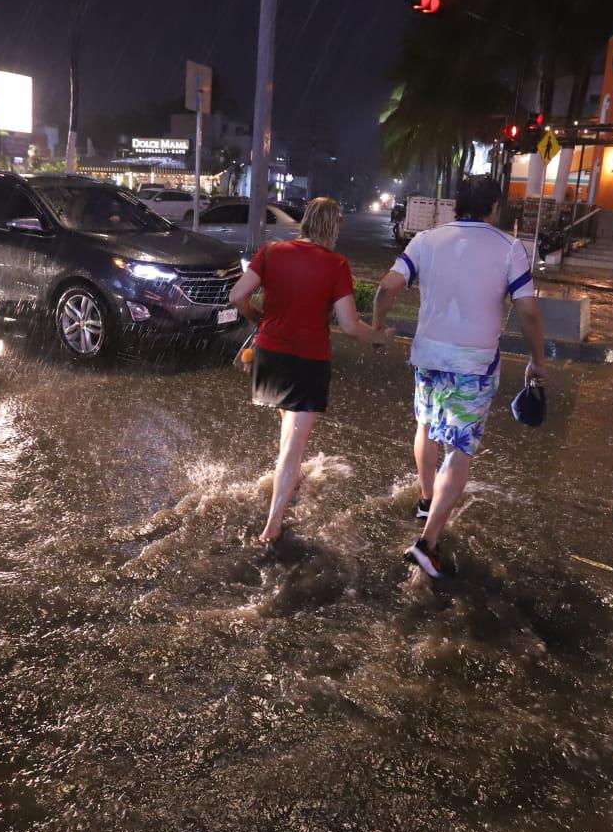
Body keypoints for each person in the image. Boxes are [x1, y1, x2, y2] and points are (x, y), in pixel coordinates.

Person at [371, 176, 548, 580]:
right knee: (460, 450)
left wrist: (379, 328)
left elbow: (385, 288)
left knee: (426, 426)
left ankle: (426, 497)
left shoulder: (425, 241)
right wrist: (538, 360)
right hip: (474, 364)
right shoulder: (509, 248)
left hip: (428, 356)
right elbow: (529, 311)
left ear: (456, 206)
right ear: (495, 207)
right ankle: (427, 543)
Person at [229, 197, 380, 543]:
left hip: (268, 356)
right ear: (333, 226)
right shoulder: (335, 264)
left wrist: (259, 319)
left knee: (289, 428)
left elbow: (238, 295)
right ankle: (273, 524)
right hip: (307, 362)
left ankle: (289, 480)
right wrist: (379, 336)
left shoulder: (270, 251)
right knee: (293, 448)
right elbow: (351, 325)